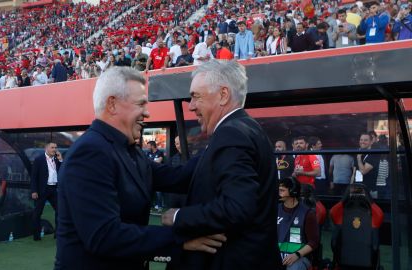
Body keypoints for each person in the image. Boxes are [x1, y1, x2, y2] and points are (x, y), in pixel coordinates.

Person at [55, 67, 225, 270]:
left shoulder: (129, 150)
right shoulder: (90, 152)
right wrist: (180, 237)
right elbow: (103, 236)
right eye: (141, 103)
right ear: (112, 104)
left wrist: (223, 138)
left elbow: (179, 177)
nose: (147, 112)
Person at [162, 60, 281, 269]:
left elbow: (237, 207)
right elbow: (185, 175)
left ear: (223, 95)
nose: (190, 106)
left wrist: (179, 216)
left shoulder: (231, 133)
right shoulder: (243, 128)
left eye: (195, 96)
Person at [277, 177, 319, 270]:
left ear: (293, 192)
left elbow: (314, 242)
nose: (279, 193)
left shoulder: (307, 214)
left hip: (300, 257)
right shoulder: (274, 210)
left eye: (282, 190)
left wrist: (297, 254)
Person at [30, 142, 63, 241]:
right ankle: (36, 235)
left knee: (60, 211)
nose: (55, 149)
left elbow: (63, 172)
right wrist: (34, 191)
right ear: (46, 149)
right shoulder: (39, 160)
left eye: (56, 147)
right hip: (42, 190)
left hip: (53, 189)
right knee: (38, 213)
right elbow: (34, 177)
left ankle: (57, 234)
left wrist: (61, 160)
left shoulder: (57, 160)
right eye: (52, 147)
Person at [354, 132, 380, 198]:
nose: (362, 142)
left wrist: (359, 158)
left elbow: (363, 171)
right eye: (361, 140)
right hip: (357, 187)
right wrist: (351, 185)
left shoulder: (373, 154)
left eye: (365, 140)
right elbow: (354, 172)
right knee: (357, 206)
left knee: (368, 207)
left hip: (369, 189)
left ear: (371, 142)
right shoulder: (359, 152)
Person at [146, 141, 165, 211]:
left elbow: (158, 162)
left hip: (158, 175)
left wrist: (150, 161)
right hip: (150, 174)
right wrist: (153, 161)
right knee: (149, 190)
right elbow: (146, 162)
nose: (147, 147)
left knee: (158, 191)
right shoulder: (148, 153)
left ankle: (160, 206)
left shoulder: (160, 152)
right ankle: (150, 206)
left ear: (152, 146)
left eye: (148, 146)